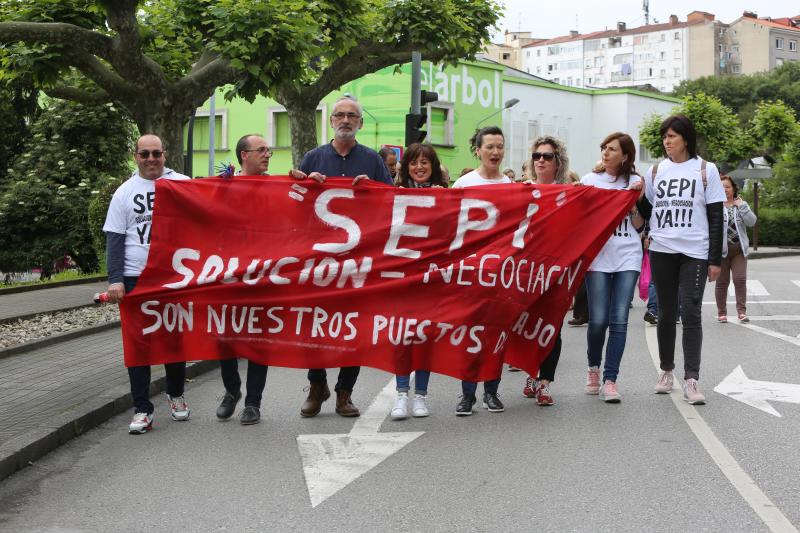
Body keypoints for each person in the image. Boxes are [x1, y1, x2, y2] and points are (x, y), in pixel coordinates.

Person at [289, 96, 393, 419]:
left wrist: (372, 189)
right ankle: (317, 384)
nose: (346, 120)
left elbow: (392, 201)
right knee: (313, 325)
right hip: (318, 259)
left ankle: (344, 393)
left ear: (360, 123)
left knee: (354, 328)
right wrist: (303, 183)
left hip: (358, 260)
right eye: (340, 115)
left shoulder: (373, 160)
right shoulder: (312, 157)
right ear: (331, 121)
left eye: (352, 116)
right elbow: (294, 204)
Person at [103, 134, 191, 434]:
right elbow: (114, 239)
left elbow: (208, 220)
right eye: (145, 154)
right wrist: (115, 280)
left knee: (173, 340)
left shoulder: (183, 183)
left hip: (172, 276)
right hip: (134, 277)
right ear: (135, 156)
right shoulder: (124, 193)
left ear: (165, 155)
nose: (151, 159)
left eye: (156, 153)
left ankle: (176, 394)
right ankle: (142, 409)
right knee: (138, 345)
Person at [637, 114, 725, 405]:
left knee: (690, 312)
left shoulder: (705, 170)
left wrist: (715, 259)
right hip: (662, 249)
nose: (667, 141)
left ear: (685, 138)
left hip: (695, 252)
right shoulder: (655, 171)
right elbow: (648, 209)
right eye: (665, 137)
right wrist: (636, 196)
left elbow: (716, 216)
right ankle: (666, 372)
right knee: (665, 312)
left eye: (672, 136)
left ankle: (691, 379)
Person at [580, 133, 644, 403]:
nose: (606, 153)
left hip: (628, 254)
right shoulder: (589, 181)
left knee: (619, 320)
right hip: (598, 257)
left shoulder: (636, 183)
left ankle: (610, 379)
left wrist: (632, 206)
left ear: (625, 156)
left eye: (612, 149)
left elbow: (641, 225)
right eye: (604, 148)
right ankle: (593, 367)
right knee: (598, 321)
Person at [452, 126, 511, 416]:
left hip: (501, 272)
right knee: (470, 334)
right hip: (470, 272)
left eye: (500, 146)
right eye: (489, 146)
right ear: (477, 149)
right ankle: (467, 394)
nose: (496, 152)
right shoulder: (463, 184)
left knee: (495, 334)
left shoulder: (512, 187)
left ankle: (492, 391)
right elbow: (448, 227)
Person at [214, 134, 272, 425]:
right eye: (261, 150)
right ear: (243, 155)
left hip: (262, 276)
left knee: (258, 341)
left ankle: (253, 403)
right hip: (228, 274)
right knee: (225, 338)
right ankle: (231, 390)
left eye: (268, 150)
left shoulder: (277, 187)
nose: (267, 154)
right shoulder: (224, 187)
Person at [390, 143, 447, 420]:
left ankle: (421, 396)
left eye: (426, 162)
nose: (420, 167)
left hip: (432, 278)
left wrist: (445, 201)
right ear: (406, 166)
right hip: (401, 278)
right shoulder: (393, 195)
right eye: (414, 162)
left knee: (425, 337)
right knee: (401, 337)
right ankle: (401, 395)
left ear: (434, 167)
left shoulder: (448, 197)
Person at [522, 135, 572, 406]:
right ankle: (531, 373)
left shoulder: (569, 194)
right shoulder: (521, 191)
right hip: (525, 272)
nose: (541, 160)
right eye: (537, 156)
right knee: (526, 326)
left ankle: (544, 382)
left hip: (556, 272)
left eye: (547, 156)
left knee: (552, 328)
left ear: (557, 162)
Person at [715, 174, 757, 323]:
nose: (724, 190)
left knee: (740, 279)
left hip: (739, 250)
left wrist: (742, 206)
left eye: (727, 187)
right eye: (721, 187)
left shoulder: (741, 204)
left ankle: (742, 312)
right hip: (721, 252)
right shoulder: (715, 205)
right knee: (722, 282)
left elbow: (752, 222)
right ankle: (722, 313)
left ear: (733, 189)